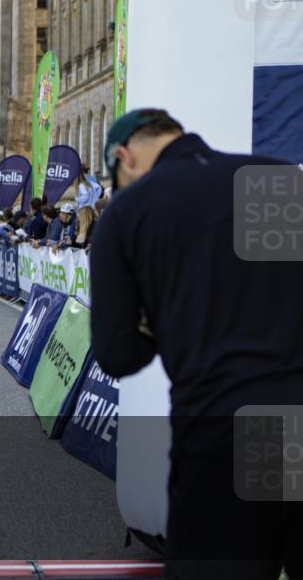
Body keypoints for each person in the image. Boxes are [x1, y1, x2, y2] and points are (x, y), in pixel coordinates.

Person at [91, 108, 303, 579]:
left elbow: (118, 354)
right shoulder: (277, 178)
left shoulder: (128, 213)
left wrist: (159, 313)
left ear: (124, 157)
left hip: (221, 428)